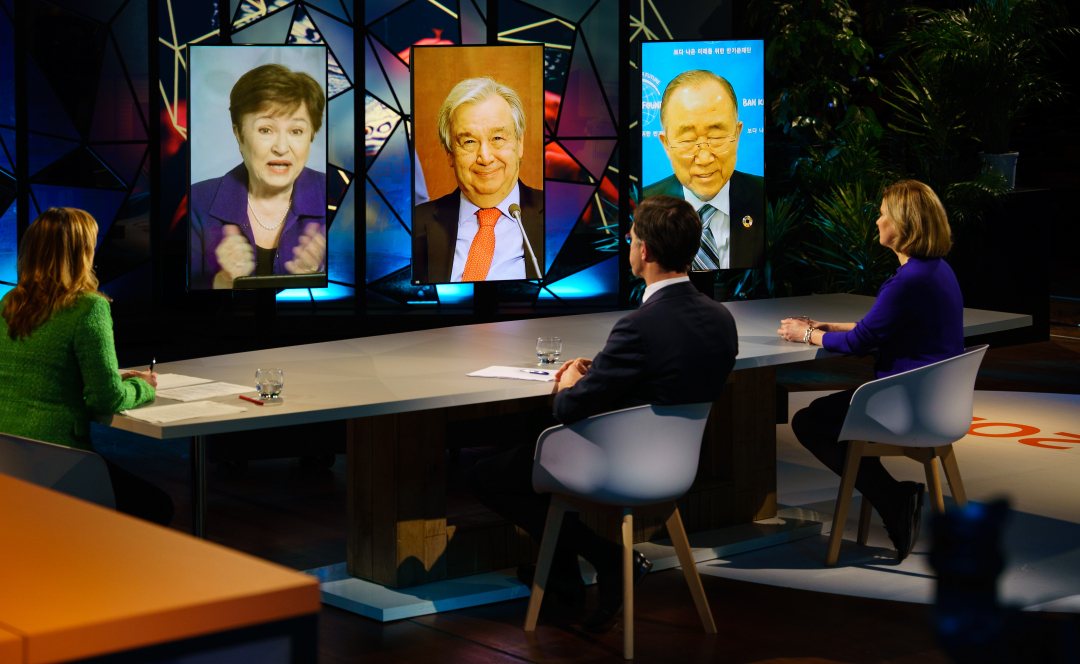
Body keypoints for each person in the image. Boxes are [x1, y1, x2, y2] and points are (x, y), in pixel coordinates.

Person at [471, 195, 738, 631]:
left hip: (617, 466)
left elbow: (568, 408)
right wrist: (607, 374)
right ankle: (564, 578)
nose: (629, 243)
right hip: (678, 465)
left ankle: (607, 558)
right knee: (530, 453)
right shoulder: (720, 318)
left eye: (632, 237)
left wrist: (572, 382)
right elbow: (668, 380)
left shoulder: (638, 326)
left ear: (645, 251)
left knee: (488, 474)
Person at [776, 179, 964, 562]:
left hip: (904, 406)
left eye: (883, 214)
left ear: (903, 225)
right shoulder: (937, 271)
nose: (877, 220)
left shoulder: (908, 281)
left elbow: (860, 343)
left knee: (811, 423)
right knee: (832, 419)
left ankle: (894, 499)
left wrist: (807, 333)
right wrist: (826, 326)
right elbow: (879, 327)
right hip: (937, 403)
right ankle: (895, 498)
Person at [0, 207, 173, 525]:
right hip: (60, 463)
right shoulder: (89, 307)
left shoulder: (9, 303)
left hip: (10, 461)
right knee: (157, 507)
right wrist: (142, 386)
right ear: (81, 253)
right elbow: (105, 399)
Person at [190, 63, 327, 289]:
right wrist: (223, 282)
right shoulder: (197, 202)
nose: (281, 147)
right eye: (266, 130)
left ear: (311, 135)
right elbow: (175, 310)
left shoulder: (337, 195)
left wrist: (315, 279)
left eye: (296, 131)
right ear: (239, 134)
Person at [412, 77, 544, 283]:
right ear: (450, 153)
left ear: (519, 144)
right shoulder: (413, 225)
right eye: (469, 142)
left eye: (497, 138)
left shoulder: (560, 217)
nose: (485, 157)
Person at [643, 69, 765, 270]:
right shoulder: (642, 209)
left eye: (716, 137)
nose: (705, 158)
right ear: (666, 144)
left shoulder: (769, 202)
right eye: (688, 140)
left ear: (738, 133)